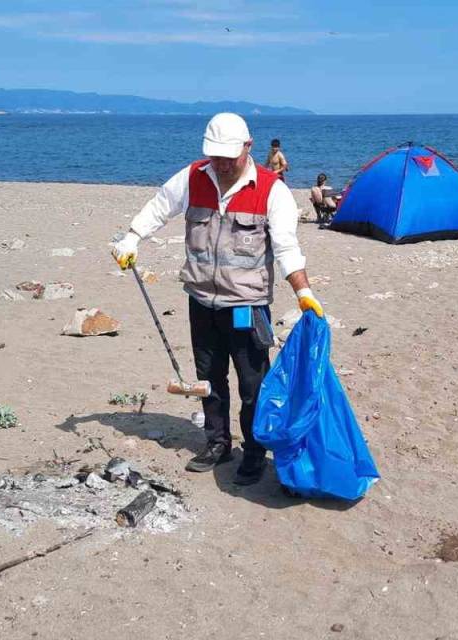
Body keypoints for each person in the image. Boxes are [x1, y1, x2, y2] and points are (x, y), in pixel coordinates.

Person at [111, 113, 324, 486]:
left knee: (252, 383)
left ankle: (255, 453)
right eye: (215, 156)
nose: (222, 164)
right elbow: (159, 207)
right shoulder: (193, 176)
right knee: (209, 378)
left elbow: (288, 248)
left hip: (246, 304)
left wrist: (303, 292)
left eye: (229, 156)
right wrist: (132, 237)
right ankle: (217, 443)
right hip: (201, 300)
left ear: (248, 147)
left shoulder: (272, 190)